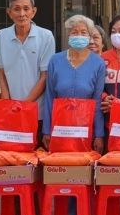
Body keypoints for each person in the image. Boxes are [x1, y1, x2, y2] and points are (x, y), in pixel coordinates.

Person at [0, 0, 55, 143]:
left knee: (35, 158)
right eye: (16, 9)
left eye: (26, 9)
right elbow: (0, 73)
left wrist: (24, 106)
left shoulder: (46, 36)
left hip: (36, 112)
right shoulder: (1, 36)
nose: (22, 14)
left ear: (33, 12)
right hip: (10, 111)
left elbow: (45, 76)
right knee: (13, 159)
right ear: (9, 12)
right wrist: (8, 105)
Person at [41, 15, 106, 153]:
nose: (79, 36)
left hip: (84, 129)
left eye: (83, 32)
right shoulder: (55, 60)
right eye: (74, 32)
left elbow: (98, 101)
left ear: (89, 36)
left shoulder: (98, 63)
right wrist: (46, 130)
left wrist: (99, 135)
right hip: (60, 128)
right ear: (68, 35)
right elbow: (49, 98)